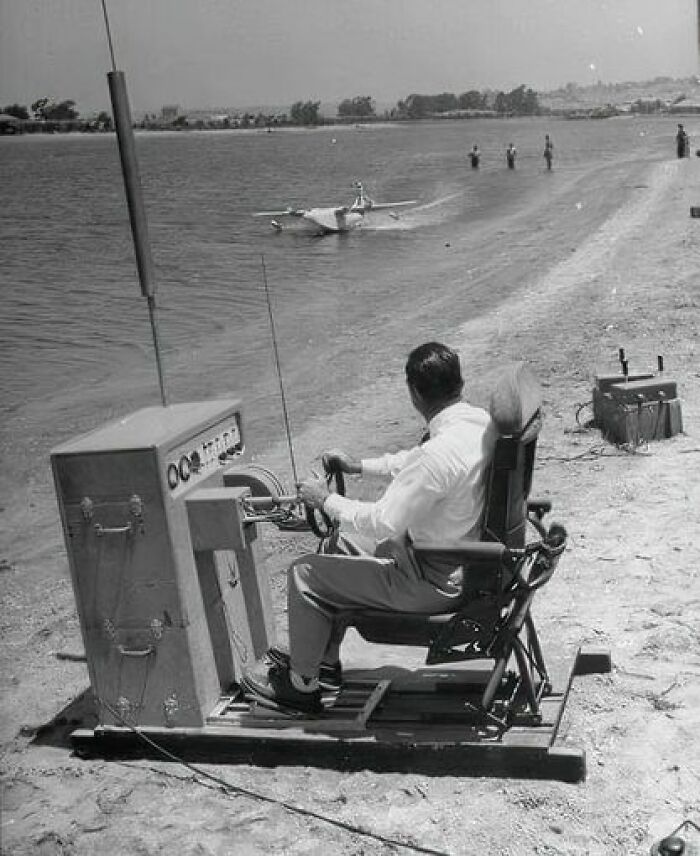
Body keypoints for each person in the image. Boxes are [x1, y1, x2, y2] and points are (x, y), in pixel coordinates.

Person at [241, 342, 496, 714]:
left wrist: (322, 500)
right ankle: (322, 665)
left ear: (414, 393)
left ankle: (301, 687)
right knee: (339, 543)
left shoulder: (438, 453)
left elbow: (383, 522)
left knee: (304, 574)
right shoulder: (478, 424)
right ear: (459, 382)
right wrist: (359, 465)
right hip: (457, 562)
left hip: (430, 580)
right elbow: (418, 463)